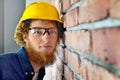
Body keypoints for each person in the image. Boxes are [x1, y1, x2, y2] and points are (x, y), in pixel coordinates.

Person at [0, 1, 63, 80]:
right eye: (37, 32)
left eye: (52, 31)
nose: (46, 39)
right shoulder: (2, 65)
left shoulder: (40, 71)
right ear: (25, 36)